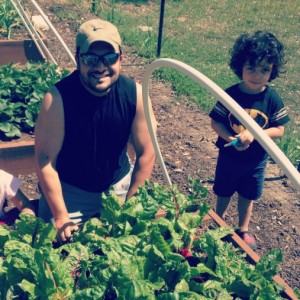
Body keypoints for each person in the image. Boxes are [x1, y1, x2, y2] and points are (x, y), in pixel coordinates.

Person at [34, 19, 157, 243]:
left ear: (121, 59)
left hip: (117, 186)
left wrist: (130, 207)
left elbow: (146, 153)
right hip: (70, 193)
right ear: (77, 59)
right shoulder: (57, 100)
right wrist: (61, 216)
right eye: (91, 59)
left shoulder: (136, 96)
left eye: (109, 58)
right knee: (55, 251)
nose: (100, 67)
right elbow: (45, 161)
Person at [209, 31, 290, 250]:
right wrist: (231, 138)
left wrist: (254, 134)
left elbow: (279, 130)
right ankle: (219, 220)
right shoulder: (229, 95)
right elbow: (216, 123)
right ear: (240, 67)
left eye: (264, 69)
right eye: (251, 68)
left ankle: (243, 229)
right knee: (223, 190)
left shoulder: (271, 99)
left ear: (272, 71)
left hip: (256, 161)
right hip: (229, 156)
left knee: (248, 193)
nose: (257, 75)